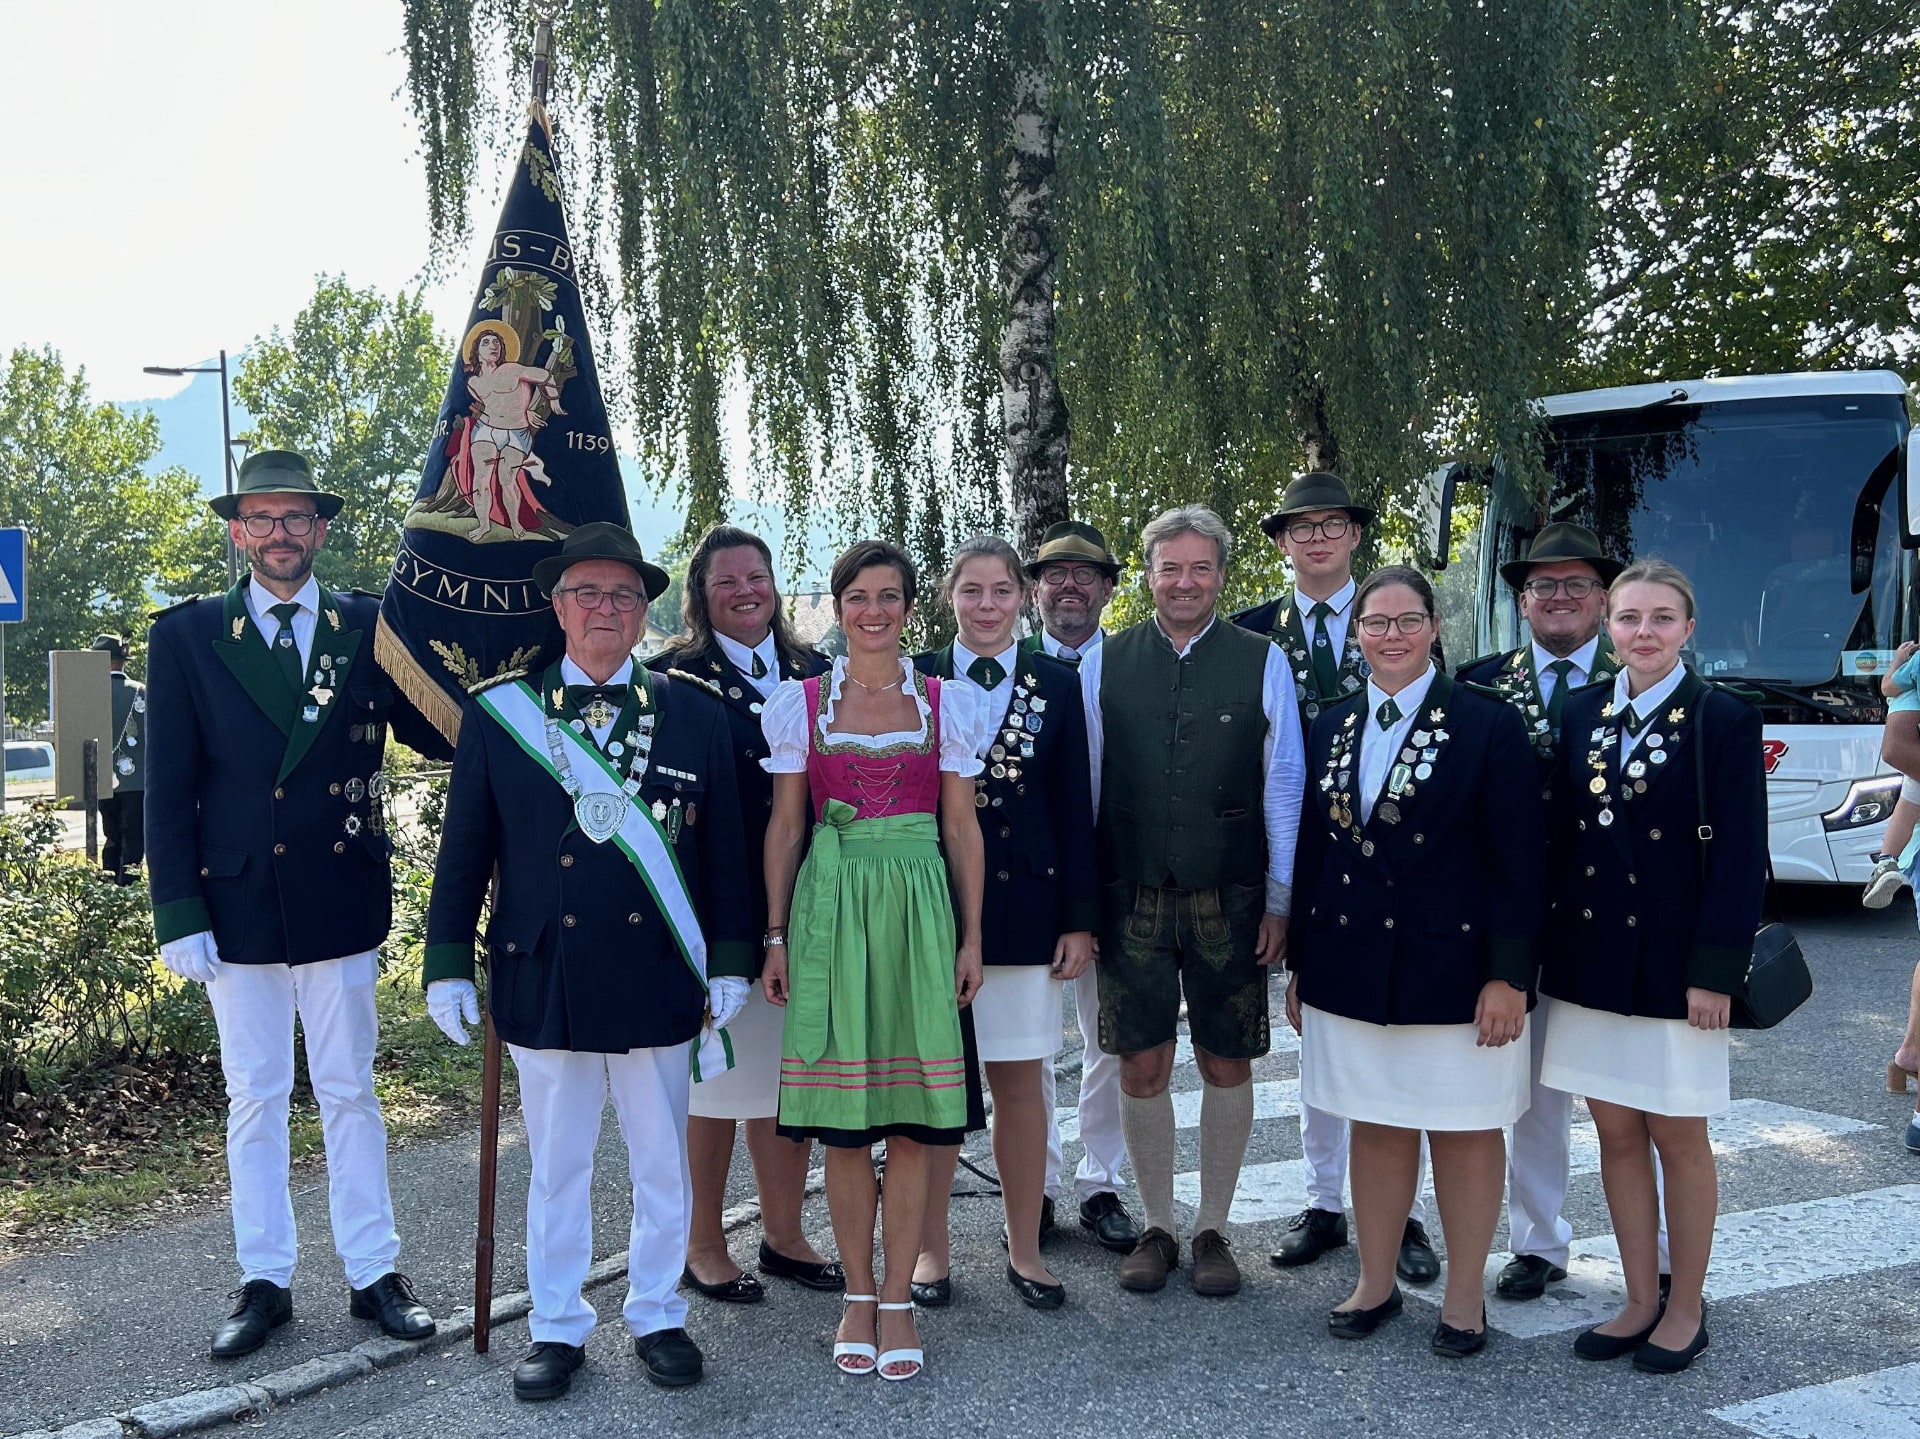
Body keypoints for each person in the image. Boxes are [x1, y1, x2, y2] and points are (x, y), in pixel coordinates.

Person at [423, 522, 754, 1400]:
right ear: (558, 607)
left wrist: (730, 957)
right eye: (587, 593)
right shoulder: (503, 714)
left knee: (659, 1159)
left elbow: (726, 854)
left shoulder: (696, 715)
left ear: (644, 612)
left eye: (622, 595)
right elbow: (464, 852)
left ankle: (656, 1312)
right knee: (559, 1162)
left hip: (658, 972)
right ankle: (558, 1323)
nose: (605, 609)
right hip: (548, 973)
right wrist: (448, 958)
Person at [143, 450, 444, 1359]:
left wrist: (479, 651)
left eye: (297, 518)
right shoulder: (192, 634)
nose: (280, 534)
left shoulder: (366, 624)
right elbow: (169, 785)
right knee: (256, 1096)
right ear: (239, 532)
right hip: (235, 906)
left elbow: (430, 725)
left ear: (321, 528)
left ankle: (372, 1271)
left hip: (335, 892)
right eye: (263, 520)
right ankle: (265, 1277)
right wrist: (178, 909)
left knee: (352, 1089)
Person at [1287, 565, 1543, 1358]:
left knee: (1465, 1131)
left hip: (1457, 968)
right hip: (1353, 961)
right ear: (1356, 634)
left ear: (1435, 627)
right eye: (1375, 622)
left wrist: (1511, 975)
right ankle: (1375, 1280)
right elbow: (1314, 853)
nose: (1390, 635)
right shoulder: (1331, 722)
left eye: (1406, 620)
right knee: (1377, 1123)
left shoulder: (1485, 724)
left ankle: (1464, 1298)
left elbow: (1519, 861)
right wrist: (1303, 959)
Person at [760, 539, 989, 1381]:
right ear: (836, 604)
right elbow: (787, 826)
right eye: (858, 596)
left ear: (908, 607)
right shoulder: (802, 703)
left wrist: (972, 936)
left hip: (920, 911)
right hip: (833, 906)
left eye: (889, 596)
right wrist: (777, 935)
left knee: (915, 1120)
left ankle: (897, 1297)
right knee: (848, 1125)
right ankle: (858, 1292)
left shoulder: (945, 703)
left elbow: (962, 828)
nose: (873, 611)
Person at [1542, 557, 1766, 1374]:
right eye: (1630, 617)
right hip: (1593, 961)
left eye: (1661, 618)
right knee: (1616, 1133)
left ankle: (1687, 1303)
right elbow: (1562, 843)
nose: (1644, 632)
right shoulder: (1579, 712)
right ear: (1608, 624)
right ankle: (1638, 1295)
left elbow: (1743, 859)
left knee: (1678, 1135)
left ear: (1689, 629)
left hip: (1678, 969)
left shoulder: (1722, 720)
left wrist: (1718, 970)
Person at [1080, 504, 1304, 1297]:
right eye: (1170, 567)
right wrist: (1084, 902)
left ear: (1221, 574)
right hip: (1130, 891)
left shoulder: (1261, 659)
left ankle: (1212, 1224)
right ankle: (1157, 1223)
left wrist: (1281, 900)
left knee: (1225, 1056)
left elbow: (1284, 784)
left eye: (1200, 567)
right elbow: (1091, 788)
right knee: (1140, 1061)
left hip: (1232, 893)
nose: (1184, 581)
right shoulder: (1105, 662)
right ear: (1147, 573)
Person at [1236, 472, 1438, 1287]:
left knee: (1400, 1049)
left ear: (1355, 533)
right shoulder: (1251, 634)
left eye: (1331, 524)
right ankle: (1324, 1200)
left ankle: (1406, 1213)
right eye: (1300, 527)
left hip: (1398, 864)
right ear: (1282, 543)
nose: (1316, 538)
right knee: (1320, 1046)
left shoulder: (1396, 617)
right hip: (1302, 853)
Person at [645, 525, 842, 1304]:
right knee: (716, 1085)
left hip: (815, 909)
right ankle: (701, 1242)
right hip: (716, 911)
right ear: (700, 596)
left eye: (756, 576)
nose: (745, 590)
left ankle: (785, 1232)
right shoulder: (670, 682)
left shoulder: (819, 672)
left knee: (789, 1079)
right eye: (726, 581)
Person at [914, 536, 1099, 1310]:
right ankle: (929, 1253)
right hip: (928, 912)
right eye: (971, 591)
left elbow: (1074, 808)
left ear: (1022, 596)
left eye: (1000, 591)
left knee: (1022, 1085)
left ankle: (1025, 1248)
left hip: (1027, 911)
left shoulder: (1057, 682)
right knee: (929, 1089)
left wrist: (1080, 920)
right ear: (949, 597)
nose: (986, 606)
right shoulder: (913, 676)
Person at [1454, 522, 1625, 1301]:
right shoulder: (1480, 683)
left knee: (1632, 1100)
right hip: (1510, 917)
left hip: (1612, 919)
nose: (1560, 598)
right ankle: (1539, 1241)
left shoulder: (1639, 676)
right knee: (1526, 1093)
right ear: (1521, 601)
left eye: (1577, 585)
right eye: (1544, 586)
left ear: (1603, 599)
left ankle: (1654, 1251)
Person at [1018, 519, 1139, 1255]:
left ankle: (1101, 1182)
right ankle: (1035, 1185)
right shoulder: (1007, 664)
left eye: (1084, 574)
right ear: (1035, 590)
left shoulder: (1135, 665)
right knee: (1027, 1046)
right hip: (1031, 879)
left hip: (1122, 874)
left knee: (1111, 1040)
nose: (1069, 586)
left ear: (1107, 588)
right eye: (1055, 574)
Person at [1862, 638, 1920, 910]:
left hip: (1911, 750)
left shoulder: (1915, 666)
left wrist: (1898, 658)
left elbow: (1887, 686)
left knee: (1907, 806)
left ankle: (1886, 862)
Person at [91, 633, 146, 884]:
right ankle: (129, 887)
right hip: (137, 780)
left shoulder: (87, 694)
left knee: (110, 834)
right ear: (123, 661)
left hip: (101, 776)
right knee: (134, 835)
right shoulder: (142, 692)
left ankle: (108, 882)